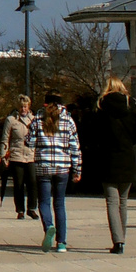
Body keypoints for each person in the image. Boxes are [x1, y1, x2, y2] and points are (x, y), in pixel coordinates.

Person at [95, 77, 136, 254]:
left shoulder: (102, 107)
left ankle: (118, 241)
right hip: (127, 158)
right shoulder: (132, 107)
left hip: (108, 159)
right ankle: (122, 238)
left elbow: (96, 134)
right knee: (123, 201)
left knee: (111, 202)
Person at [28, 92, 82, 252]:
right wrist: (77, 169)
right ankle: (62, 243)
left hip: (43, 166)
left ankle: (49, 226)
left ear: (45, 104)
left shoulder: (38, 119)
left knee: (44, 202)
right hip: (62, 167)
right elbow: (75, 147)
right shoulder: (68, 121)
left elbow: (29, 142)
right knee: (59, 204)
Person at [0, 95, 38, 220]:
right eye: (21, 107)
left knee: (32, 182)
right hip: (16, 155)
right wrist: (3, 155)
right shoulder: (11, 120)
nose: (23, 109)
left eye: (25, 106)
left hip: (31, 155)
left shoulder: (34, 119)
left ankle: (32, 208)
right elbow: (5, 138)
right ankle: (20, 210)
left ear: (29, 106)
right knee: (18, 184)